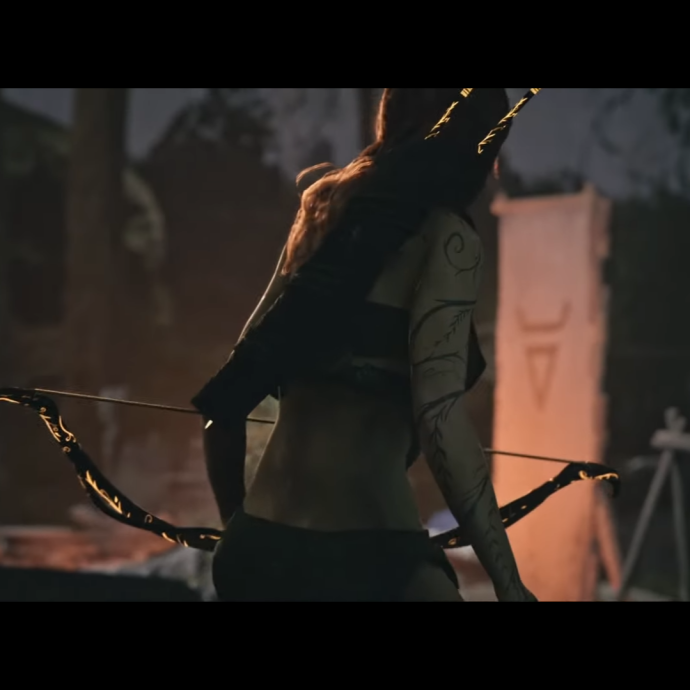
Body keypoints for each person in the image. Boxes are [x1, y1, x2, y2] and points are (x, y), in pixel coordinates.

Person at [202, 88, 536, 602]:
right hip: (370, 554)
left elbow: (234, 386)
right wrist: (511, 585)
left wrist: (237, 534)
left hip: (258, 546)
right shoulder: (447, 238)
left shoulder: (325, 206)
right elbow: (441, 422)